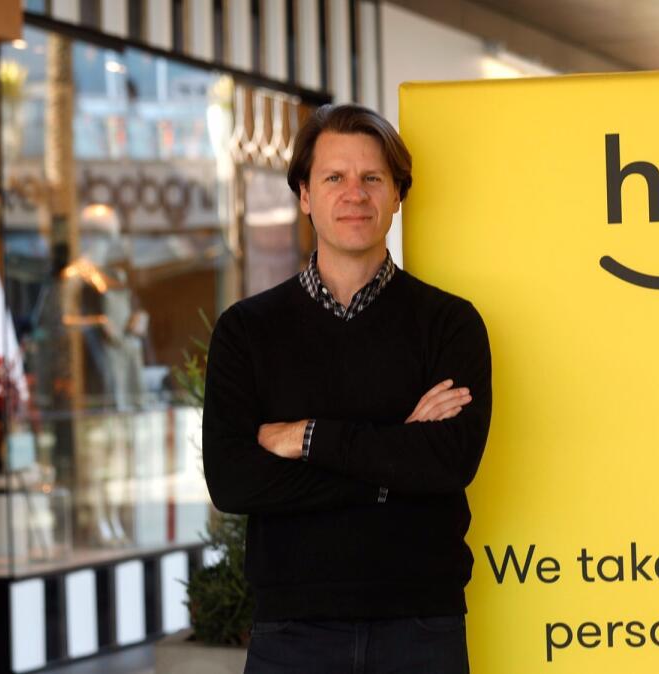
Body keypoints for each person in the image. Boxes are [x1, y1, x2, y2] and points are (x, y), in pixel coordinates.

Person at [202, 104, 492, 673]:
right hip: (292, 634)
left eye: (372, 178)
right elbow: (234, 481)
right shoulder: (247, 330)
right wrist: (390, 463)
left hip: (421, 629)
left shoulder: (451, 324)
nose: (354, 194)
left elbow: (448, 464)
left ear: (397, 195)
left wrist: (309, 437)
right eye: (334, 177)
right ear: (305, 195)